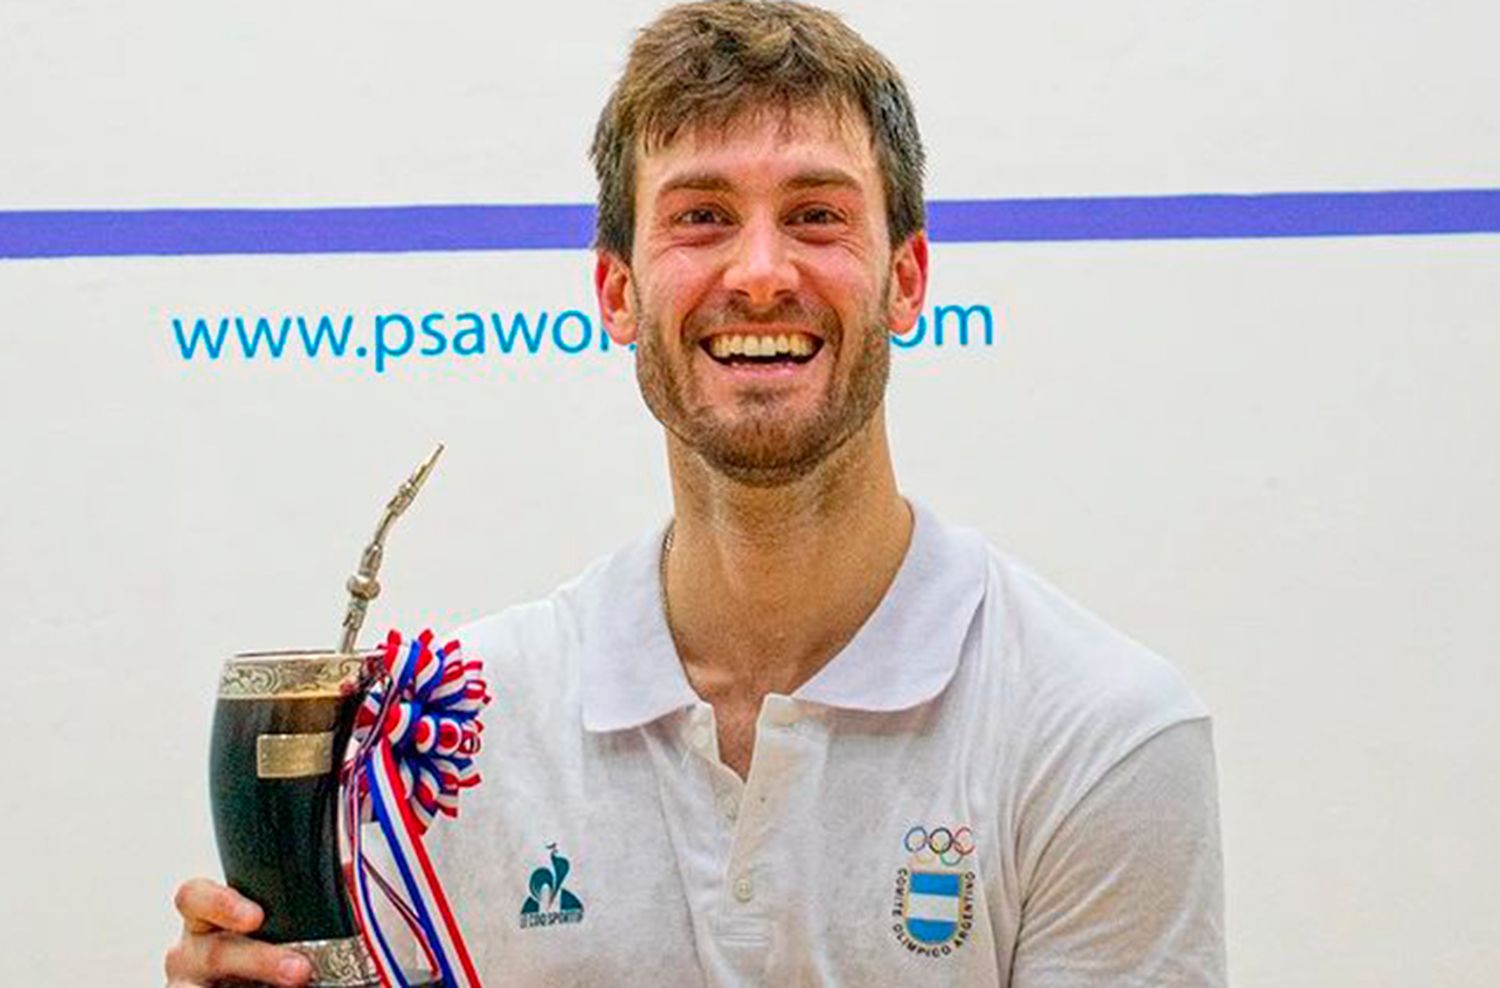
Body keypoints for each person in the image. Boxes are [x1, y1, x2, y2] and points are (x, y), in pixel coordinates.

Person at [165, 2, 1226, 985]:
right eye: (702, 216)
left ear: (906, 277)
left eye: (815, 214)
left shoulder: (1100, 732)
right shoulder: (455, 736)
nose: (761, 273)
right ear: (616, 289)